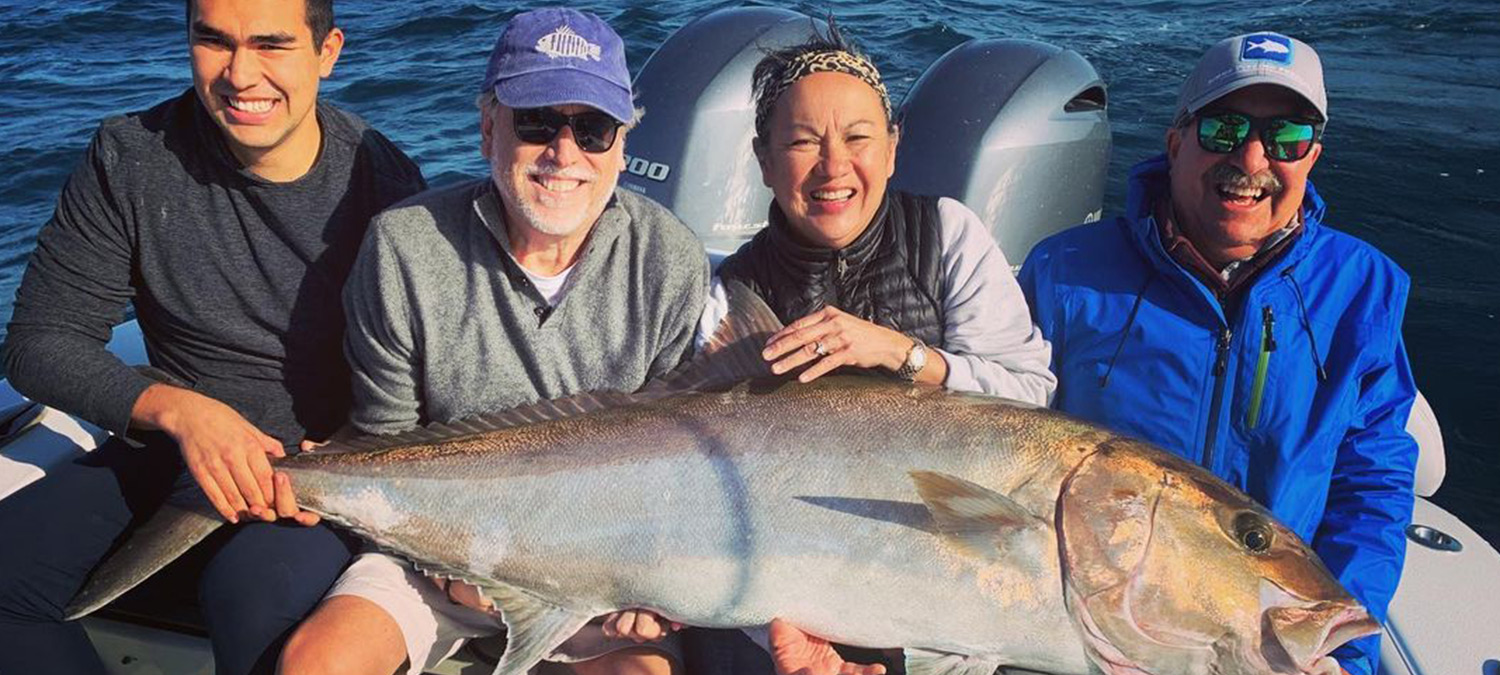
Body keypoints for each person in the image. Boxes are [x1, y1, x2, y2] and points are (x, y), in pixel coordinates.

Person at [275, 9, 708, 675]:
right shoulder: (403, 246)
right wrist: (451, 571)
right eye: (536, 121)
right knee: (313, 663)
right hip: (433, 561)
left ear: (622, 148)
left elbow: (676, 475)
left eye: (592, 130)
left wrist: (650, 590)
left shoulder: (671, 260)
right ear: (487, 128)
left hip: (596, 585)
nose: (564, 153)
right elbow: (391, 446)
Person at [0, 0, 426, 673]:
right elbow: (40, 339)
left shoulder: (383, 183)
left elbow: (415, 380)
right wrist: (180, 411)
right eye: (214, 41)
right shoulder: (131, 156)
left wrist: (338, 455)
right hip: (170, 448)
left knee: (253, 598)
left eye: (271, 45)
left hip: (311, 473)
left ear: (328, 51)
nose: (240, 73)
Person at [1018, 32, 1416, 675]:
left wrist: (1347, 648)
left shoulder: (1364, 288)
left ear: (1312, 156)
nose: (1253, 158)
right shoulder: (1064, 270)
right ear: (1176, 142)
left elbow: (1371, 480)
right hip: (1089, 628)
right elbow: (1003, 441)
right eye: (1224, 128)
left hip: (1252, 632)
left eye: (1286, 137)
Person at [687, 20, 1055, 675]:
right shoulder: (733, 290)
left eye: (858, 138)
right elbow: (701, 485)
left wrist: (907, 355)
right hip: (778, 633)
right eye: (802, 142)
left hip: (941, 634)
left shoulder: (947, 238)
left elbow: (1030, 404)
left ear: (892, 148)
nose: (834, 167)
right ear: (764, 159)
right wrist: (785, 634)